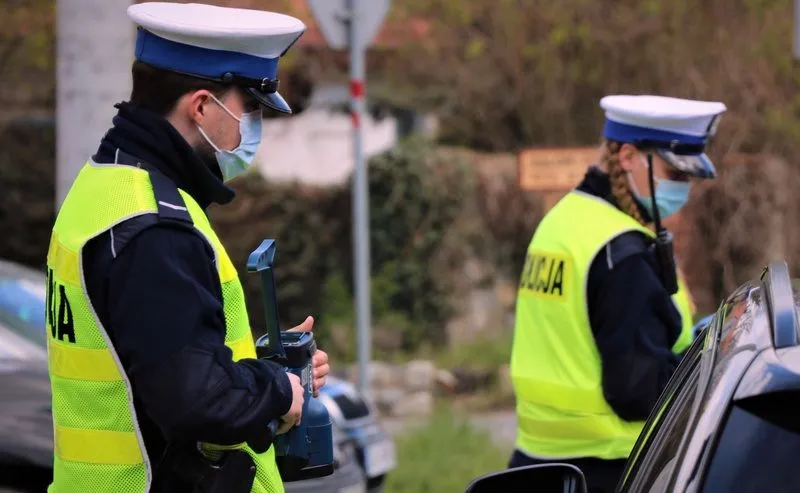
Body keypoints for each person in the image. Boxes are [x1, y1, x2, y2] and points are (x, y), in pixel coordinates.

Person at [43, 3, 330, 492]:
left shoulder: (107, 185)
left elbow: (153, 354)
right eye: (250, 109)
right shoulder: (155, 226)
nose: (252, 129)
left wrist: (259, 366)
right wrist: (278, 389)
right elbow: (194, 400)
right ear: (201, 106)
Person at [508, 94, 727, 493]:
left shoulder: (563, 221)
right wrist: (708, 361)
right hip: (611, 469)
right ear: (627, 157)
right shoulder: (623, 254)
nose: (685, 187)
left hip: (533, 466)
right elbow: (637, 393)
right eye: (674, 174)